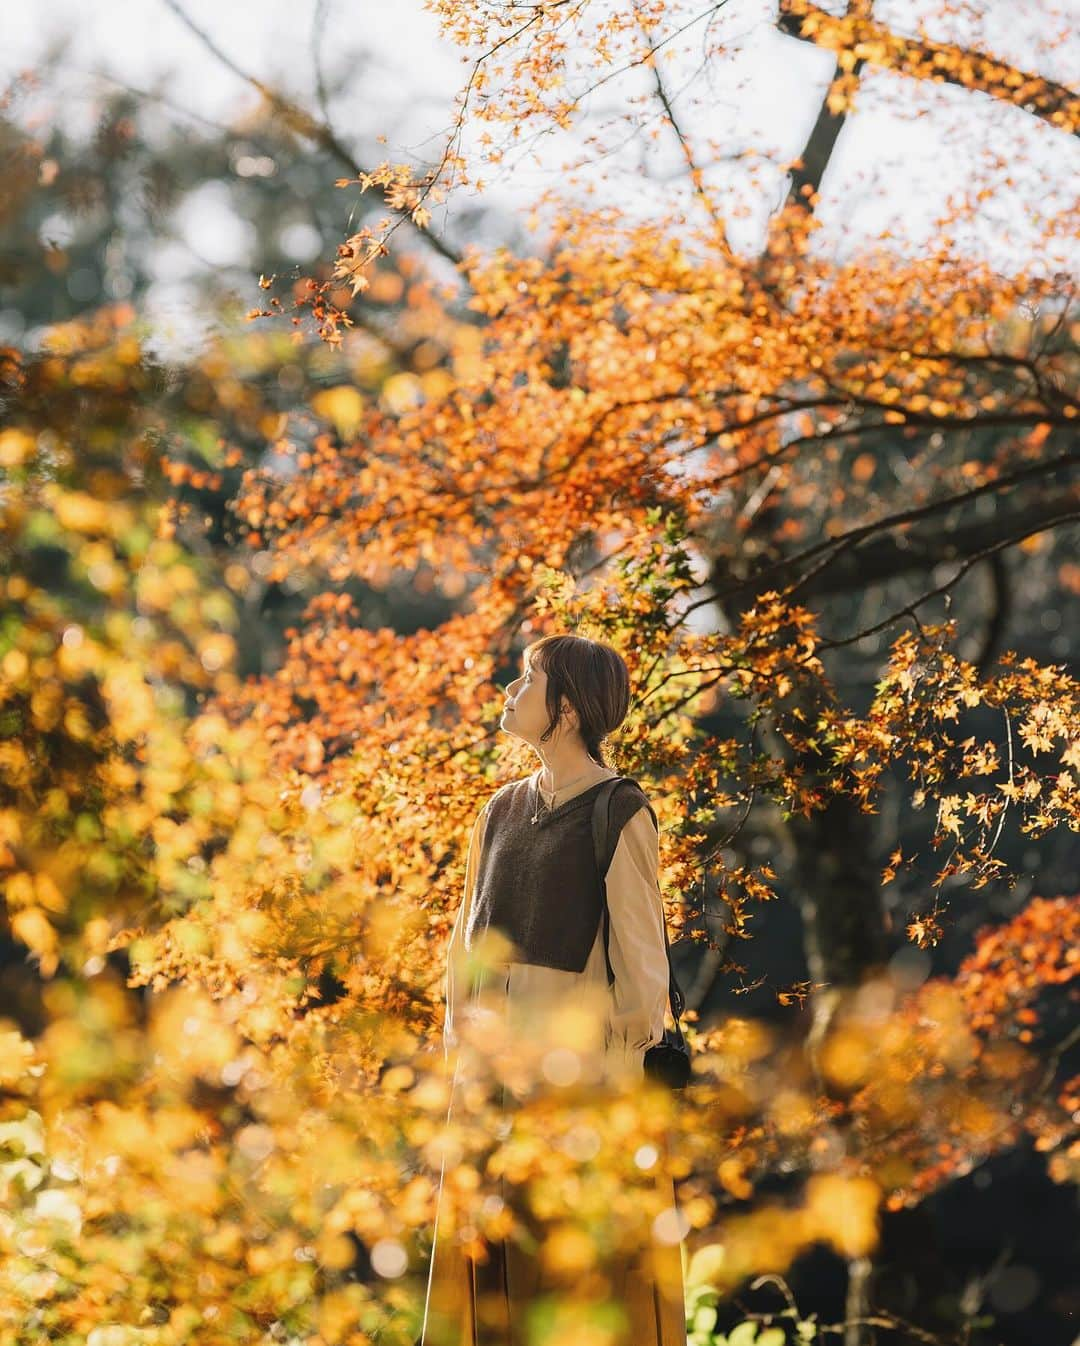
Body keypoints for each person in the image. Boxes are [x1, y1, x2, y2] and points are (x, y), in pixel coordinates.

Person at [420, 633, 688, 1345]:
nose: (510, 689)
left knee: (567, 1278)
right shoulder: (498, 809)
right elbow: (463, 946)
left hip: (575, 1087)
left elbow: (640, 968)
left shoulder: (618, 810)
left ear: (566, 710)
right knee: (490, 1271)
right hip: (487, 1081)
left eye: (528, 678)